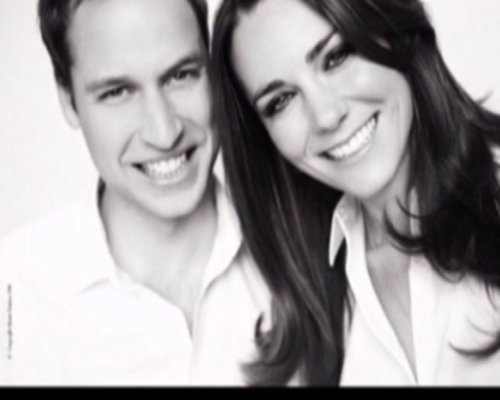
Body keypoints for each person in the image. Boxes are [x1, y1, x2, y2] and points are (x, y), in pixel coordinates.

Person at [211, 0, 500, 386]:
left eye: (336, 57)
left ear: (392, 30)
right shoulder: (312, 309)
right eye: (281, 100)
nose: (326, 116)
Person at [0, 0, 269, 386]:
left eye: (181, 75)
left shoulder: (310, 251)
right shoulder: (14, 290)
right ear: (67, 99)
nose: (164, 133)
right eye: (117, 92)